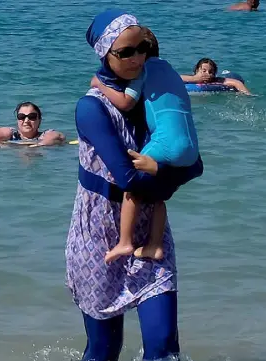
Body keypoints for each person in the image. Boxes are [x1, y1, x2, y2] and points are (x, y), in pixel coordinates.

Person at [66, 10, 203, 361]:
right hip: (99, 234)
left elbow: (195, 163)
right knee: (104, 350)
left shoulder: (153, 97)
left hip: (150, 232)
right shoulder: (91, 109)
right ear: (104, 54)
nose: (137, 59)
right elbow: (126, 177)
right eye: (125, 53)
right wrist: (166, 179)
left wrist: (163, 172)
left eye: (142, 48)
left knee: (163, 348)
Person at [90, 27, 199, 263]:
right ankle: (155, 245)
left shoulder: (143, 70)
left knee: (133, 188)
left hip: (165, 142)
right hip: (191, 147)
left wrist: (100, 85)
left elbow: (126, 103)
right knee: (158, 194)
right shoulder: (168, 68)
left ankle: (125, 242)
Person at [0, 102, 66, 146]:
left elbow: (59, 136)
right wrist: (1, 146)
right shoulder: (12, 134)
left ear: (39, 120)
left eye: (32, 116)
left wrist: (40, 145)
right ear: (17, 119)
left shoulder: (44, 135)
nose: (26, 120)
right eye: (21, 116)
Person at [180, 58, 251, 95]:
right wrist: (195, 79)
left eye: (210, 72)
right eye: (204, 71)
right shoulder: (190, 79)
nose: (207, 74)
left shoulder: (216, 81)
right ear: (197, 70)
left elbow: (237, 83)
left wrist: (247, 95)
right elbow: (174, 78)